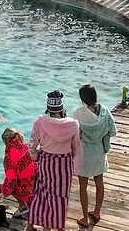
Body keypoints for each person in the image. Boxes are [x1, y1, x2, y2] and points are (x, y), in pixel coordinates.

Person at [26, 90, 79, 231]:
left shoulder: (39, 123)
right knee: (61, 197)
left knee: (41, 193)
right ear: (62, 109)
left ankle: (40, 225)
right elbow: (76, 148)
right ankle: (57, 225)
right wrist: (71, 158)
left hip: (46, 161)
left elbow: (32, 145)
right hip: (64, 163)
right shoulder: (73, 125)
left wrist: (36, 156)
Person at [74, 84, 116, 227]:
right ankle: (97, 211)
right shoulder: (105, 111)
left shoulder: (78, 113)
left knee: (83, 186)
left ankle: (85, 217)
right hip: (99, 152)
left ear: (82, 99)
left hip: (84, 154)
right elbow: (113, 131)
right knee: (99, 182)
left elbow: (75, 135)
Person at [0, 127, 37, 215]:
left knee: (7, 187)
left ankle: (23, 205)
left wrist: (2, 188)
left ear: (6, 140)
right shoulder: (23, 146)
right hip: (35, 178)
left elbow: (11, 179)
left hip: (26, 185)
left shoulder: (9, 156)